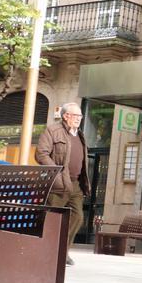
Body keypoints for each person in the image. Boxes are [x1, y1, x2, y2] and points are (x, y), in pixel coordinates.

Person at [36, 102, 90, 267]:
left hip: (76, 184)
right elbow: (41, 154)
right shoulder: (53, 130)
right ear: (66, 116)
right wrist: (57, 173)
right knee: (51, 219)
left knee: (78, 217)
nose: (79, 119)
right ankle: (44, 251)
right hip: (58, 183)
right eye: (76, 116)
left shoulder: (80, 134)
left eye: (80, 116)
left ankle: (62, 251)